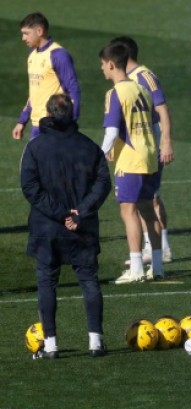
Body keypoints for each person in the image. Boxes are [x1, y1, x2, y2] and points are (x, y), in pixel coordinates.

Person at [20, 94, 111, 359]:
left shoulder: (36, 148)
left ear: (48, 114)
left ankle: (51, 345)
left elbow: (30, 187)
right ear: (72, 114)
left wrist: (60, 214)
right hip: (81, 227)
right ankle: (96, 341)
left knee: (47, 282)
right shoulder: (90, 147)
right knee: (89, 280)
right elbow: (103, 184)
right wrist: (79, 212)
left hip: (47, 228)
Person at [98, 41, 164, 284]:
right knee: (148, 209)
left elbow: (112, 132)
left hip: (130, 160)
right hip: (149, 157)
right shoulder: (142, 90)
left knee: (128, 210)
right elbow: (154, 127)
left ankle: (136, 268)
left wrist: (97, 156)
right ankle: (157, 267)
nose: (102, 70)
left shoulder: (115, 93)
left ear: (112, 64)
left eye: (103, 65)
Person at [111, 36, 175, 264]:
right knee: (142, 199)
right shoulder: (128, 80)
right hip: (139, 147)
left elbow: (163, 109)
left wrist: (166, 141)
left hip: (150, 145)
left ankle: (161, 249)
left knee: (151, 197)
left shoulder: (144, 77)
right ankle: (155, 249)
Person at [12, 12, 81, 142]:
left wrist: (71, 123)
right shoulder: (32, 55)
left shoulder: (58, 55)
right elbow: (35, 92)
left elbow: (73, 90)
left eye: (26, 33)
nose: (23, 38)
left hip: (54, 125)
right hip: (37, 125)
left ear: (39, 31)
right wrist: (22, 121)